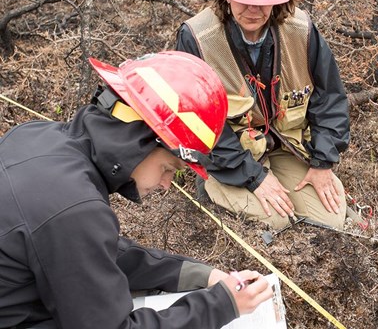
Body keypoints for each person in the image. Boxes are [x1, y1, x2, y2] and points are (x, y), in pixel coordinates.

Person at [0, 51, 274, 328]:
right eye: (168, 168)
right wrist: (222, 306)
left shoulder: (36, 137)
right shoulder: (73, 210)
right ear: (141, 139)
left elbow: (90, 252)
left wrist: (200, 275)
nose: (166, 184)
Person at [175, 0, 353, 231]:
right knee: (275, 220)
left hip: (284, 145)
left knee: (330, 219)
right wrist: (254, 177)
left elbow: (329, 98)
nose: (253, 10)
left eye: (263, 1)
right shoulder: (198, 38)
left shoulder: (301, 30)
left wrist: (322, 163)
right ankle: (212, 184)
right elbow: (198, 124)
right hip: (228, 155)